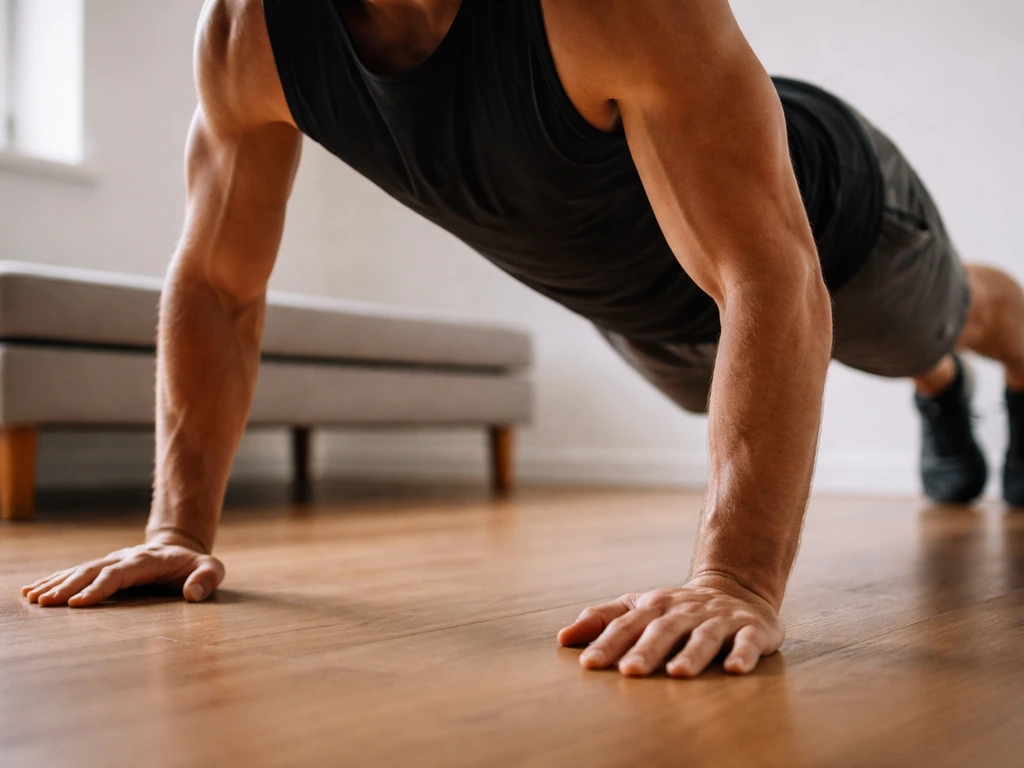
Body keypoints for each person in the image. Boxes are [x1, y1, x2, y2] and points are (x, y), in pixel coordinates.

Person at [21, 0, 1024, 679]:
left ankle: (969, 358)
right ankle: (936, 384)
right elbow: (217, 284)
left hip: (836, 231)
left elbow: (768, 273)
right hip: (650, 308)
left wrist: (734, 582)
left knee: (932, 326)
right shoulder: (252, 31)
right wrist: (176, 531)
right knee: (710, 381)